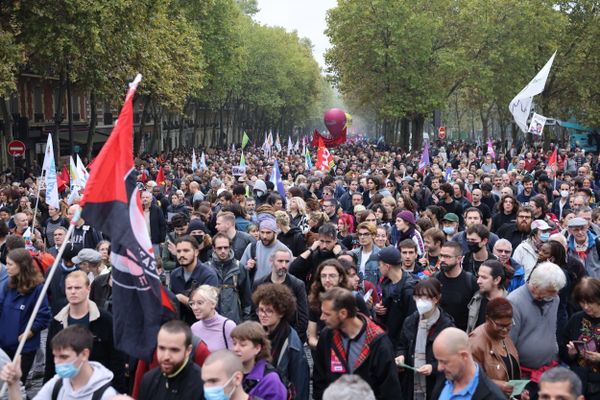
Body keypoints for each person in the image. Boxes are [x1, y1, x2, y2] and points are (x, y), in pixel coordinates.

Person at [313, 287, 402, 400]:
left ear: (343, 313)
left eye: (327, 314)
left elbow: (390, 391)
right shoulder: (327, 336)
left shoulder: (378, 343)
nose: (322, 318)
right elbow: (319, 379)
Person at [44, 271, 125, 393]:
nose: (73, 291)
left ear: (88, 289)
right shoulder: (57, 321)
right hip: (66, 387)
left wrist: (116, 390)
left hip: (98, 385)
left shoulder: (105, 320)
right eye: (69, 288)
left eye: (77, 287)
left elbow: (116, 359)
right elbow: (50, 359)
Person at [0, 325, 118, 400]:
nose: (58, 362)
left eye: (64, 357)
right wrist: (13, 383)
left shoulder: (106, 395)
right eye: (55, 357)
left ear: (84, 354)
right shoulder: (57, 384)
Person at [508, 261, 567, 398]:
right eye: (551, 292)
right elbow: (508, 346)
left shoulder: (554, 299)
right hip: (523, 377)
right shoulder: (514, 302)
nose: (555, 294)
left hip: (549, 370)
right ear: (535, 287)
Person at [395, 278, 455, 400]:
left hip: (436, 385)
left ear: (436, 299)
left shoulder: (446, 326)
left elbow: (452, 359)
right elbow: (402, 345)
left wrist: (433, 367)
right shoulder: (410, 321)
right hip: (411, 383)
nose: (420, 302)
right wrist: (401, 355)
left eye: (425, 298)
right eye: (417, 297)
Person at [0, 248, 51, 384]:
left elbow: (43, 317)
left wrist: (29, 333)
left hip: (23, 348)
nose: (7, 267)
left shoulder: (37, 289)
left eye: (10, 264)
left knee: (16, 384)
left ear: (21, 265)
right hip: (4, 345)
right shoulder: (7, 285)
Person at [252, 283, 310, 400]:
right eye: (260, 310)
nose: (263, 315)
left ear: (281, 312)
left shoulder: (292, 342)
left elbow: (299, 384)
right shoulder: (256, 334)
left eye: (269, 311)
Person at [431, 327, 505, 399]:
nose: (439, 368)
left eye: (444, 362)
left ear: (464, 356)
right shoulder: (445, 378)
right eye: (438, 361)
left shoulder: (493, 396)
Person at [138, 320, 205, 400]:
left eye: (174, 350)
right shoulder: (148, 380)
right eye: (161, 348)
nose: (166, 356)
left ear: (188, 350)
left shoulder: (202, 384)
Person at [253, 248, 309, 343]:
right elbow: (253, 313)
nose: (283, 265)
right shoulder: (259, 284)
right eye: (280, 261)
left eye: (287, 262)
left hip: (290, 338)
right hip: (264, 338)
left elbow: (303, 318)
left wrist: (293, 339)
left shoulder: (297, 285)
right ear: (271, 261)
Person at [469, 297, 520, 396]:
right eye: (500, 325)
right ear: (488, 319)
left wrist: (520, 393)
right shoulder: (475, 343)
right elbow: (469, 379)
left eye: (509, 325)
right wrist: (497, 385)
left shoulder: (503, 337)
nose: (505, 330)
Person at [561, 278, 600, 398]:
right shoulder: (576, 319)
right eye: (582, 303)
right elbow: (563, 350)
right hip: (579, 382)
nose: (586, 307)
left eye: (590, 302)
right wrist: (571, 353)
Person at [231, 321, 287, 400]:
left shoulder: (271, 380)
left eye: (242, 345)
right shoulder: (229, 373)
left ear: (257, 348)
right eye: (234, 343)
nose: (235, 349)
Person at [169, 236, 219, 325]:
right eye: (178, 251)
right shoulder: (174, 274)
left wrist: (182, 298)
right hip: (181, 328)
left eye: (186, 251)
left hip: (204, 327)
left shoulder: (208, 275)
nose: (181, 255)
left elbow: (209, 307)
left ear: (196, 252)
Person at [374, 246, 417, 348]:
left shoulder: (409, 290)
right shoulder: (386, 282)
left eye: (379, 264)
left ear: (387, 266)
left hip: (400, 347)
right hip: (389, 340)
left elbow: (411, 323)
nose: (378, 267)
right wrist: (379, 311)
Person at [205, 233, 252, 323]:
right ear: (214, 248)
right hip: (211, 319)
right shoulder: (206, 268)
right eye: (219, 248)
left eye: (226, 247)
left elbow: (246, 298)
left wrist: (246, 321)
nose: (223, 251)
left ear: (230, 247)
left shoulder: (239, 267)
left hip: (234, 319)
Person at [436, 241, 478, 331]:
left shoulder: (470, 281)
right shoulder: (434, 280)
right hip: (437, 335)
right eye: (441, 256)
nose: (442, 259)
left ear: (459, 259)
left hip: (462, 335)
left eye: (447, 256)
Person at [240, 214, 291, 283]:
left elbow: (289, 275)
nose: (264, 236)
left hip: (276, 290)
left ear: (275, 233)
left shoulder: (284, 250)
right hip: (255, 290)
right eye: (262, 232)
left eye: (268, 233)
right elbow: (240, 271)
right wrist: (247, 267)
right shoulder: (252, 247)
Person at [189, 285, 236, 352]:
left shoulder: (228, 326)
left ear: (213, 304)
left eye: (200, 303)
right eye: (192, 303)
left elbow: (235, 357)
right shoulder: (194, 328)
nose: (195, 308)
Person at [466, 260, 507, 333]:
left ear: (497, 280)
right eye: (478, 276)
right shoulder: (477, 298)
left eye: (484, 277)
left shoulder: (509, 304)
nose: (478, 281)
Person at [351, 221, 381, 286]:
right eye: (360, 234)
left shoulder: (380, 255)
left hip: (373, 292)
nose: (362, 237)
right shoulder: (353, 254)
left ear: (373, 235)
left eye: (366, 234)